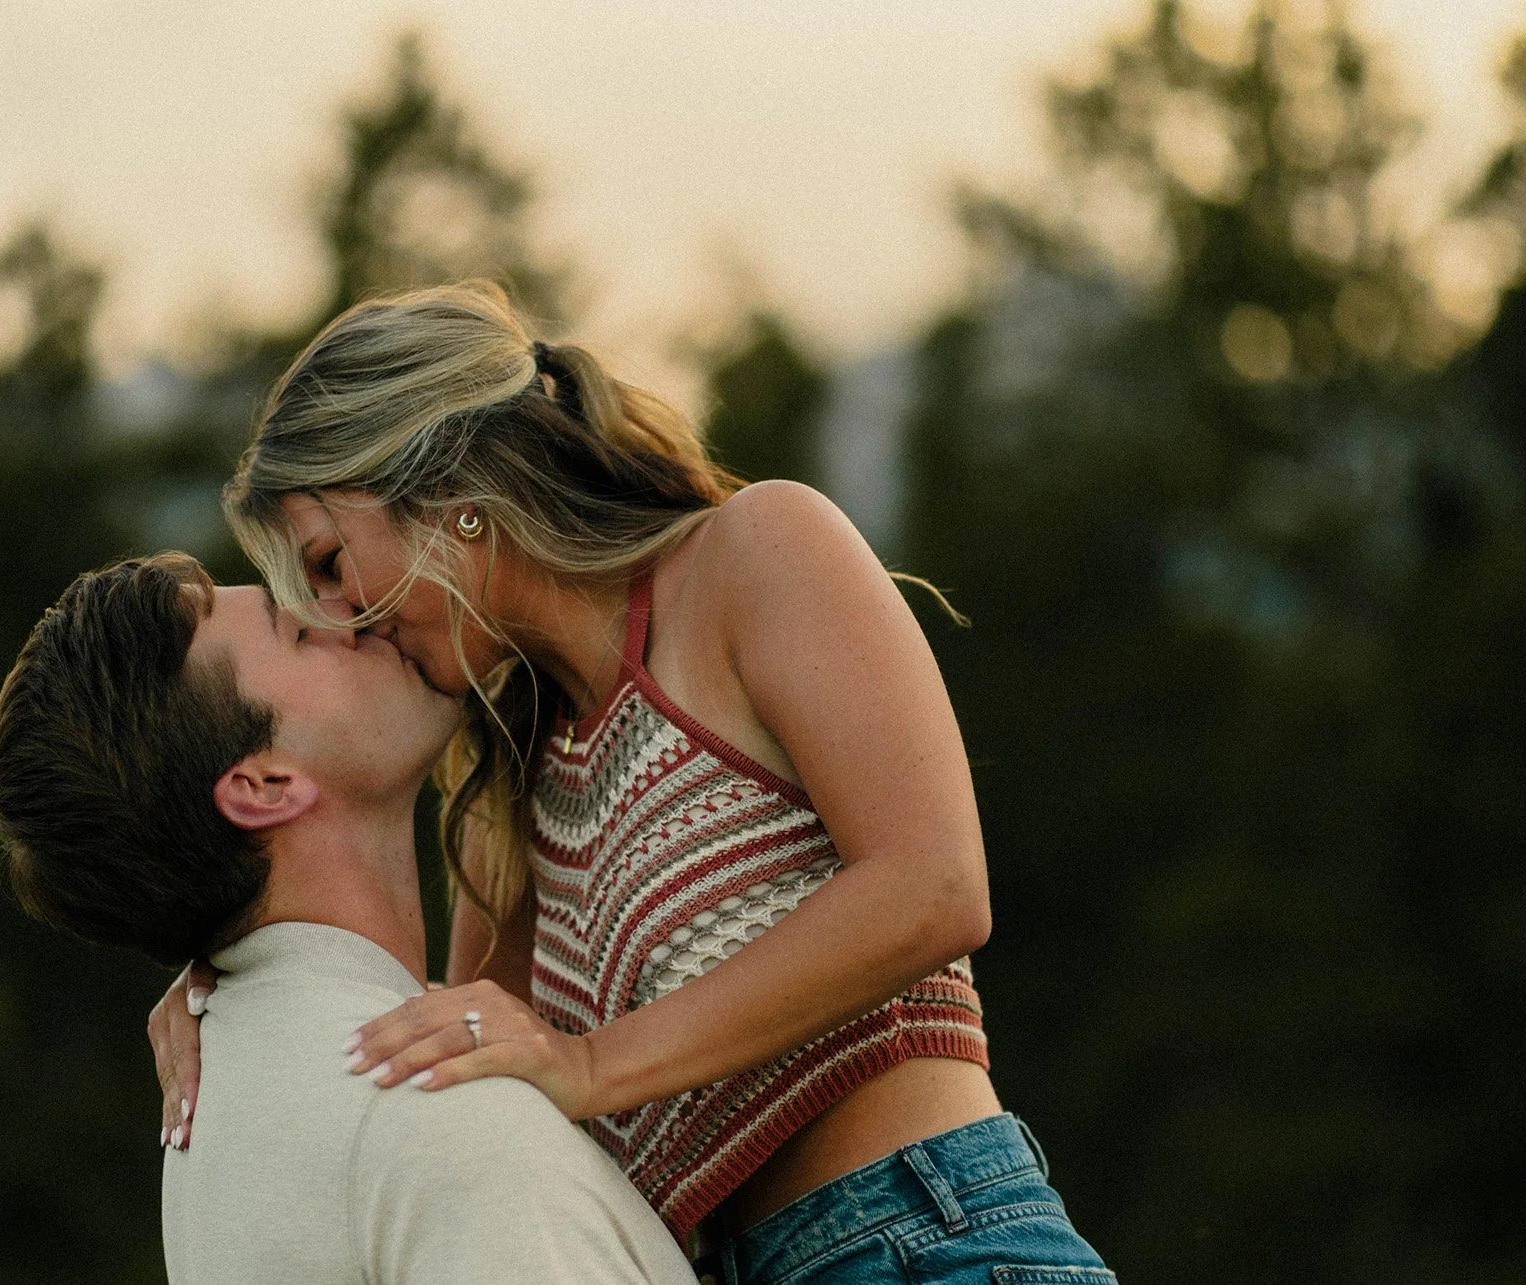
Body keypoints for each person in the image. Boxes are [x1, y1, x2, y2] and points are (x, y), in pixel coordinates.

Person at [151, 282, 1114, 1283]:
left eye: (328, 562)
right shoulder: (513, 773)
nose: (344, 618)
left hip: (930, 1236)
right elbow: (467, 1050)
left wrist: (591, 1066)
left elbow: (933, 887)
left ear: (439, 482)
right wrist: (244, 975)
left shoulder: (754, 554)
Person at [0, 552, 696, 1284]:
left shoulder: (222, 1122)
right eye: (293, 625)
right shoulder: (442, 1114)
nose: (349, 605)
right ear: (264, 787)